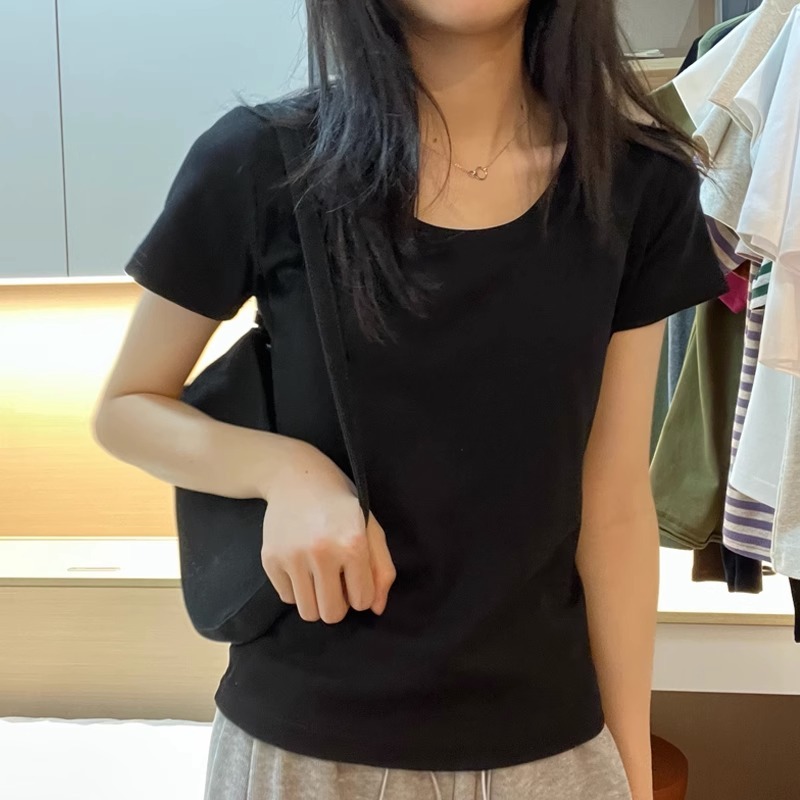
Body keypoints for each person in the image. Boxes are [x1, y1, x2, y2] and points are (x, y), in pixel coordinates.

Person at [93, 1, 727, 798]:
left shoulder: (636, 185)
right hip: (309, 752)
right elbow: (128, 408)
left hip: (550, 748)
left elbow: (615, 504)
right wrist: (286, 473)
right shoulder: (263, 161)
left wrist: (628, 766)